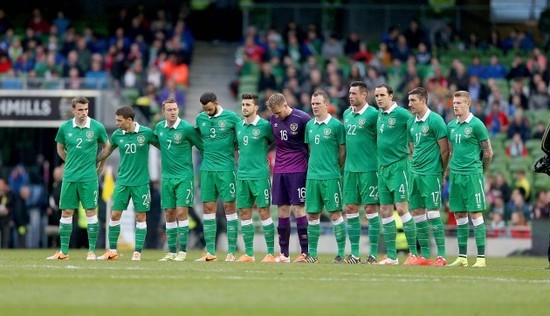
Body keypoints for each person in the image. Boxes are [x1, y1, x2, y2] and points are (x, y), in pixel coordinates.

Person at [47, 96, 109, 260]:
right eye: (80, 109)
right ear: (73, 110)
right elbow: (60, 148)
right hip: (70, 177)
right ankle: (64, 252)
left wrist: (100, 166)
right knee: (66, 212)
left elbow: (107, 147)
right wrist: (70, 161)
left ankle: (91, 251)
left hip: (89, 177)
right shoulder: (65, 128)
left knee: (91, 212)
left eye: (86, 109)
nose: (83, 112)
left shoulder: (96, 127)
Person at [96, 106, 158, 261]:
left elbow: (164, 146)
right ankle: (112, 251)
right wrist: (92, 160)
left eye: (119, 120)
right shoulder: (117, 135)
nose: (116, 123)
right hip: (122, 182)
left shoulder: (147, 133)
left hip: (141, 183)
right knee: (115, 214)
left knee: (140, 216)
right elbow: (107, 151)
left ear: (129, 120)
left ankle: (137, 252)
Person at [447, 90, 493, 268]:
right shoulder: (450, 126)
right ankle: (462, 258)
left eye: (459, 103)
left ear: (468, 104)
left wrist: (481, 171)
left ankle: (481, 258)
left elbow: (488, 152)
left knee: (475, 213)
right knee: (459, 214)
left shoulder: (477, 125)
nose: (455, 106)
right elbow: (451, 151)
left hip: (473, 175)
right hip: (456, 175)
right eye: (454, 103)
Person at [155, 97, 203, 261]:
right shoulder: (159, 128)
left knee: (182, 212)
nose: (173, 112)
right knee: (169, 213)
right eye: (170, 110)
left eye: (175, 109)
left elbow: (201, 146)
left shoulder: (187, 128)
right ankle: (171, 252)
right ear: (164, 112)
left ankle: (182, 251)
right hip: (167, 178)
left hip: (184, 177)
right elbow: (158, 143)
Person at [374, 83, 417, 265]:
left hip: (399, 166)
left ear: (391, 96)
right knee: (385, 211)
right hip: (383, 169)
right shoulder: (379, 115)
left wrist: (414, 160)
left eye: (382, 95)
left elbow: (415, 134)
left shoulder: (402, 115)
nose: (379, 99)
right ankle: (392, 256)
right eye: (376, 96)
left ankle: (414, 254)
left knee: (402, 208)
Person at [195, 92, 240, 262]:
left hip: (227, 169)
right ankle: (210, 252)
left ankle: (231, 252)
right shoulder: (200, 119)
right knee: (208, 209)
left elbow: (241, 136)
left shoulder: (231, 117)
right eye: (204, 109)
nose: (207, 112)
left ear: (216, 102)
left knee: (229, 207)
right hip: (206, 170)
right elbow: (197, 137)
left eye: (209, 108)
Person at [266, 93, 311, 263]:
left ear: (286, 105)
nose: (276, 116)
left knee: (298, 209)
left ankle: (305, 253)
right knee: (282, 210)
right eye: (274, 113)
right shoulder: (273, 119)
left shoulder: (302, 118)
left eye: (278, 112)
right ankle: (284, 254)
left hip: (299, 169)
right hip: (280, 170)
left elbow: (310, 145)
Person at [303, 89, 346, 263]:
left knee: (335, 214)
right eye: (313, 104)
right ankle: (312, 254)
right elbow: (309, 149)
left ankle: (341, 254)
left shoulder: (336, 126)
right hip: (312, 176)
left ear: (326, 105)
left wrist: (335, 167)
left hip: (330, 176)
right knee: (312, 215)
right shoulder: (309, 126)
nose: (314, 106)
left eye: (318, 103)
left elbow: (343, 151)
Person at [407, 87, 449, 266]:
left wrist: (442, 172)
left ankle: (441, 256)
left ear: (423, 101)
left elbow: (445, 150)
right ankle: (424, 256)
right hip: (414, 173)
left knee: (432, 213)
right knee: (417, 213)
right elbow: (411, 144)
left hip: (431, 174)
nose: (410, 104)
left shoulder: (436, 120)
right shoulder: (411, 122)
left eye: (413, 101)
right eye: (409, 101)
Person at [234, 93, 276, 263]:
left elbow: (275, 142)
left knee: (264, 211)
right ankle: (249, 254)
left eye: (248, 105)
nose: (244, 107)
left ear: (256, 107)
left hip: (260, 175)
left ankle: (271, 253)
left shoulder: (265, 126)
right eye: (243, 104)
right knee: (244, 212)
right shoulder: (238, 126)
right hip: (242, 175)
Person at [342, 81, 380, 264]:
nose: (351, 96)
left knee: (371, 209)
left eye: (354, 93)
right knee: (350, 208)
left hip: (369, 169)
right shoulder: (346, 114)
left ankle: (373, 254)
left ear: (364, 95)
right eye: (350, 93)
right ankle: (355, 254)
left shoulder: (374, 114)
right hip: (350, 169)